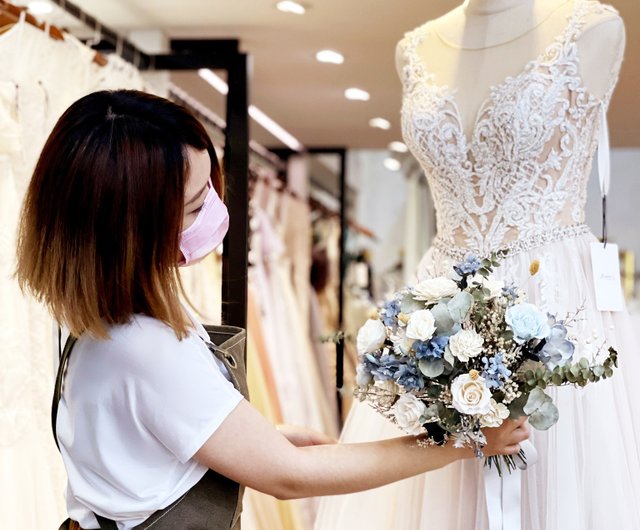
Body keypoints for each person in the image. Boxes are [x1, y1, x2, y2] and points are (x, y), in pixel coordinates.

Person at [14, 90, 528, 530]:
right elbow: (289, 477)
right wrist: (460, 443)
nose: (216, 209)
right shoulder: (147, 347)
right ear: (135, 227)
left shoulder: (97, 326)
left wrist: (249, 440)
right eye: (195, 206)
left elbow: (140, 452)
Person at [315, 0, 640, 529]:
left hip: (551, 295)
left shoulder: (592, 28)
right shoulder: (415, 48)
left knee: (556, 481)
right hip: (441, 302)